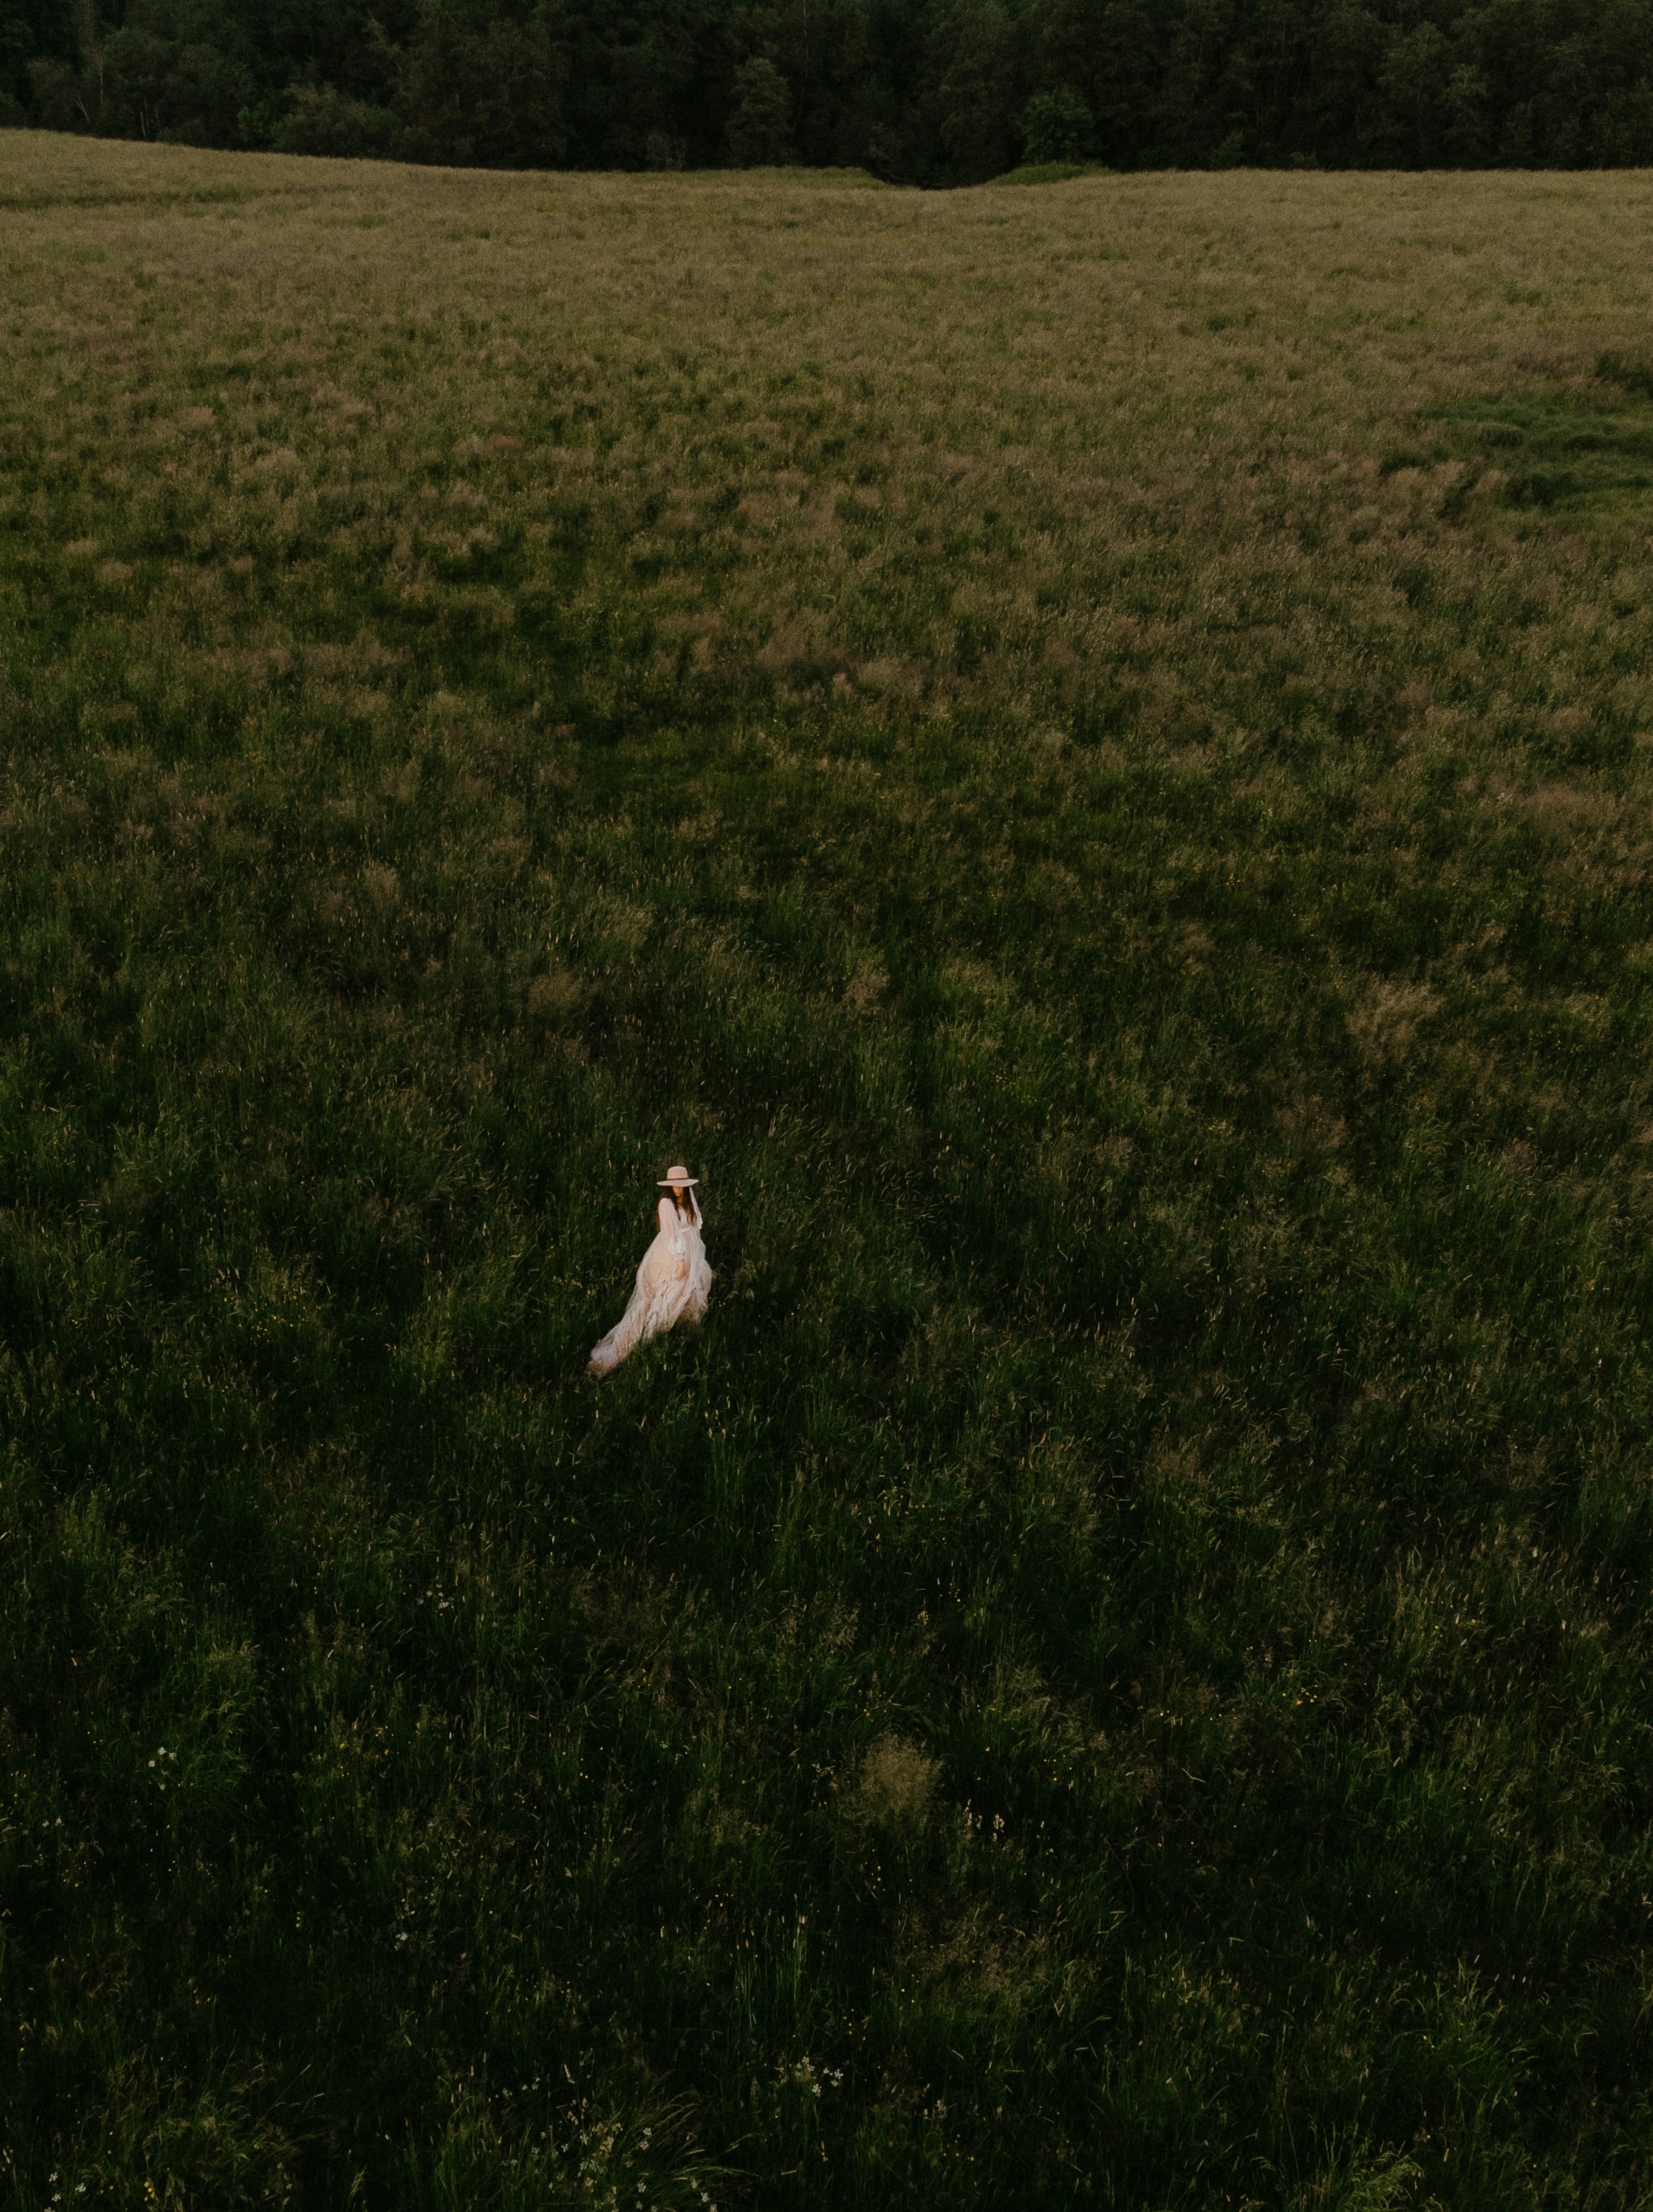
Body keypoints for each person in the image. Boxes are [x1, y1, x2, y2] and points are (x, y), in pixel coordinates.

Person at [588, 1165, 713, 1377]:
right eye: (675, 1185)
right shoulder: (666, 1204)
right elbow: (672, 1235)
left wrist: (697, 1261)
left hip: (689, 1252)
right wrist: (680, 1262)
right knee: (664, 1296)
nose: (678, 1189)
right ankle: (638, 1339)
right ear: (669, 1185)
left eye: (682, 1185)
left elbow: (694, 1228)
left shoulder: (688, 1199)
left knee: (685, 1294)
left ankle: (680, 1334)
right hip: (673, 1256)